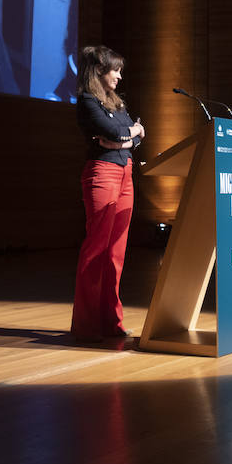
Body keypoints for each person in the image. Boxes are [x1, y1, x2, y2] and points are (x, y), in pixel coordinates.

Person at [71, 45, 144, 341]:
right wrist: (130, 134)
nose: (119, 77)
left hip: (126, 174)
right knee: (97, 249)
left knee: (116, 253)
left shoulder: (117, 103)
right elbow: (117, 132)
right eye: (115, 70)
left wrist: (128, 138)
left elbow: (130, 135)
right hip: (102, 174)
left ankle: (112, 322)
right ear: (99, 71)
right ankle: (87, 325)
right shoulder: (87, 101)